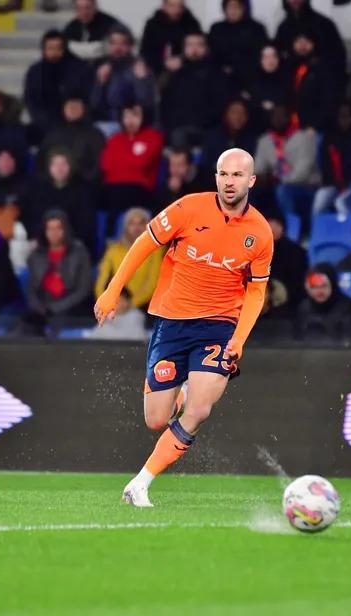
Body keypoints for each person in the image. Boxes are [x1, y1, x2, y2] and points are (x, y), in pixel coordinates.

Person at [94, 148, 273, 507]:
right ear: (216, 177)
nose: (229, 181)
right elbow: (144, 244)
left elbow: (256, 292)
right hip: (172, 322)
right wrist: (113, 290)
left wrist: (238, 339)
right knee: (156, 419)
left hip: (220, 326)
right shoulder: (188, 208)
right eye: (223, 174)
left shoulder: (260, 234)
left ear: (251, 181)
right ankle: (184, 389)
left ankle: (140, 484)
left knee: (200, 411)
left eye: (237, 175)